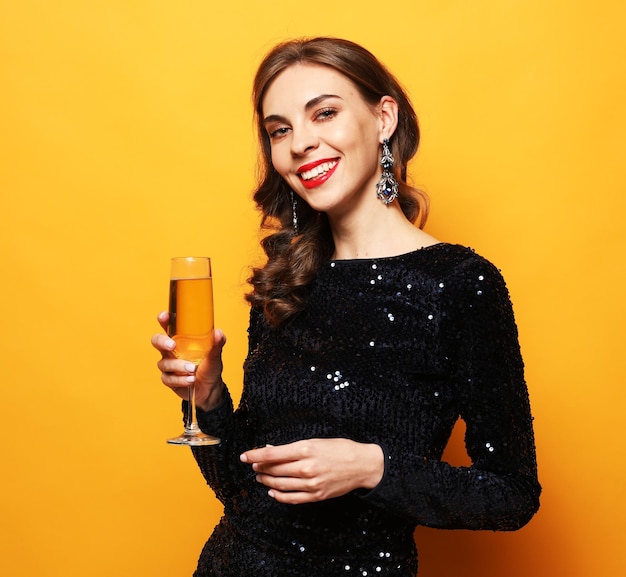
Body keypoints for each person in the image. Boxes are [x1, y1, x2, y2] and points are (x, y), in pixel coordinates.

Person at [151, 37, 540, 577]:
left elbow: (511, 496)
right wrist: (207, 394)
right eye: (280, 129)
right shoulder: (286, 279)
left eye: (325, 114)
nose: (299, 144)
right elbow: (240, 492)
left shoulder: (460, 284)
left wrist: (373, 468)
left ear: (383, 118)